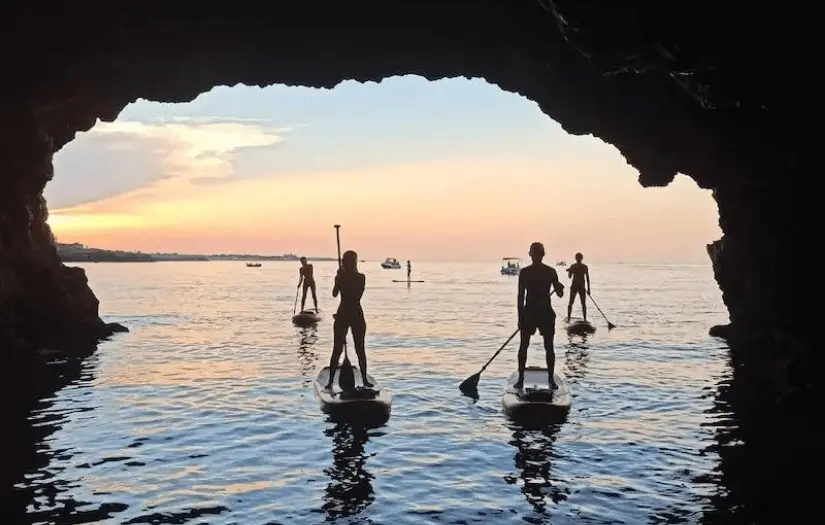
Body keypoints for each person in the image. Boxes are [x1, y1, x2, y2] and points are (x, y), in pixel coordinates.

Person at [516, 242, 564, 390]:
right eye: (535, 253)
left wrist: (558, 287)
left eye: (537, 253)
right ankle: (523, 379)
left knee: (546, 347)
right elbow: (520, 296)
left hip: (542, 313)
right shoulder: (528, 272)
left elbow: (560, 293)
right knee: (527, 346)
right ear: (532, 255)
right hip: (531, 313)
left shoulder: (549, 272)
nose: (536, 256)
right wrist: (520, 318)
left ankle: (548, 379)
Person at [325, 250, 372, 389]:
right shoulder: (349, 277)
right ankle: (331, 381)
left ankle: (363, 379)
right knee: (340, 349)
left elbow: (349, 295)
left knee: (357, 349)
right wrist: (338, 279)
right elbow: (335, 294)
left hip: (348, 313)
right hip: (349, 314)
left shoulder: (358, 277)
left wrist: (340, 279)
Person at [566, 252, 590, 322]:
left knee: (582, 304)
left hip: (580, 287)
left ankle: (584, 319)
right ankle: (569, 318)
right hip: (575, 286)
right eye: (578, 257)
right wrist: (570, 271)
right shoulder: (575, 266)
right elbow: (570, 277)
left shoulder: (582, 267)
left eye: (579, 257)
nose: (578, 259)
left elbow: (587, 278)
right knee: (571, 303)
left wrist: (588, 289)